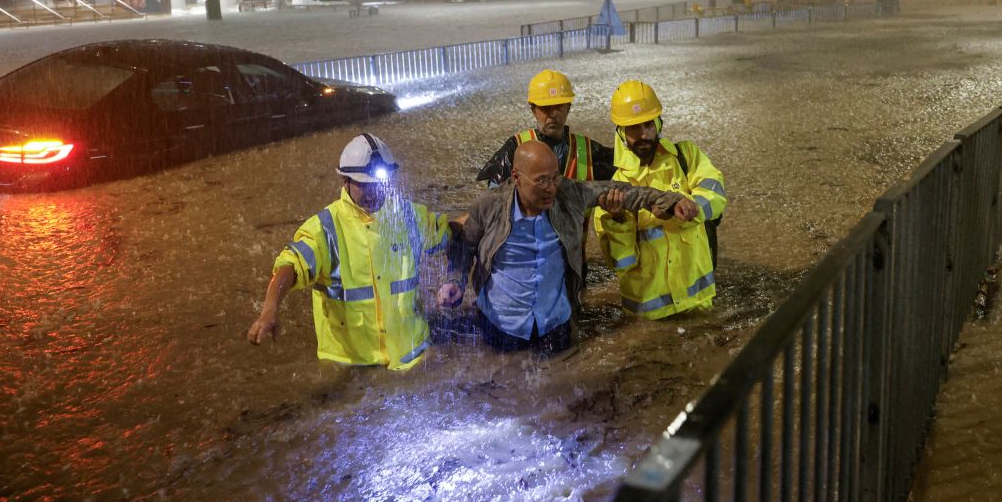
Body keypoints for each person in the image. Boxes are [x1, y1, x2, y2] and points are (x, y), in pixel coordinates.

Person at [453, 140, 695, 355]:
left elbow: (625, 191)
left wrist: (670, 201)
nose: (551, 188)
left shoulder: (568, 193)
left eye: (554, 177)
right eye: (542, 180)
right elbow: (464, 246)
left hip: (554, 324)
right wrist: (455, 281)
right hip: (501, 324)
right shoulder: (488, 207)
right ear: (516, 177)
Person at [248, 134, 458, 370]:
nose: (374, 192)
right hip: (354, 367)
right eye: (364, 184)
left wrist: (491, 210)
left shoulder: (408, 216)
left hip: (413, 358)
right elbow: (290, 267)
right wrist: (269, 311)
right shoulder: (325, 229)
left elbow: (450, 232)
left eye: (380, 183)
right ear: (344, 181)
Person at [594, 81, 727, 320]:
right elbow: (621, 264)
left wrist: (693, 207)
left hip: (699, 303)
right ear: (621, 132)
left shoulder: (687, 156)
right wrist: (618, 219)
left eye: (648, 124)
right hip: (649, 318)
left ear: (659, 123)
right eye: (633, 128)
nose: (643, 134)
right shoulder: (613, 190)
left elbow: (716, 195)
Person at [477, 69, 616, 187]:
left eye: (559, 106)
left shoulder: (588, 150)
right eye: (546, 108)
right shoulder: (515, 147)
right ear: (533, 110)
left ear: (568, 108)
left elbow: (625, 165)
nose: (553, 114)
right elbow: (493, 198)